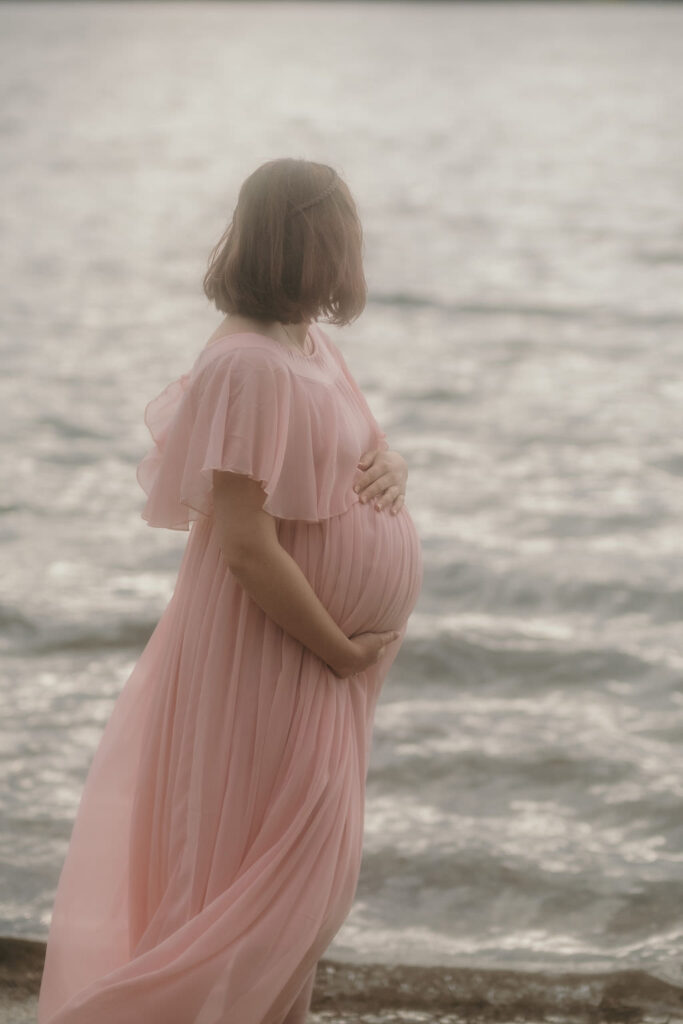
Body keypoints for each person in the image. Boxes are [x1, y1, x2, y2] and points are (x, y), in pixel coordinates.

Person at [37, 157, 424, 1024]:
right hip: (275, 656)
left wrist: (395, 464)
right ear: (315, 240)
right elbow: (246, 546)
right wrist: (336, 652)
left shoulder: (310, 346)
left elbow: (367, 447)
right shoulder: (246, 365)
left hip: (326, 667)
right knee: (260, 897)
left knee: (303, 901)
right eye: (346, 233)